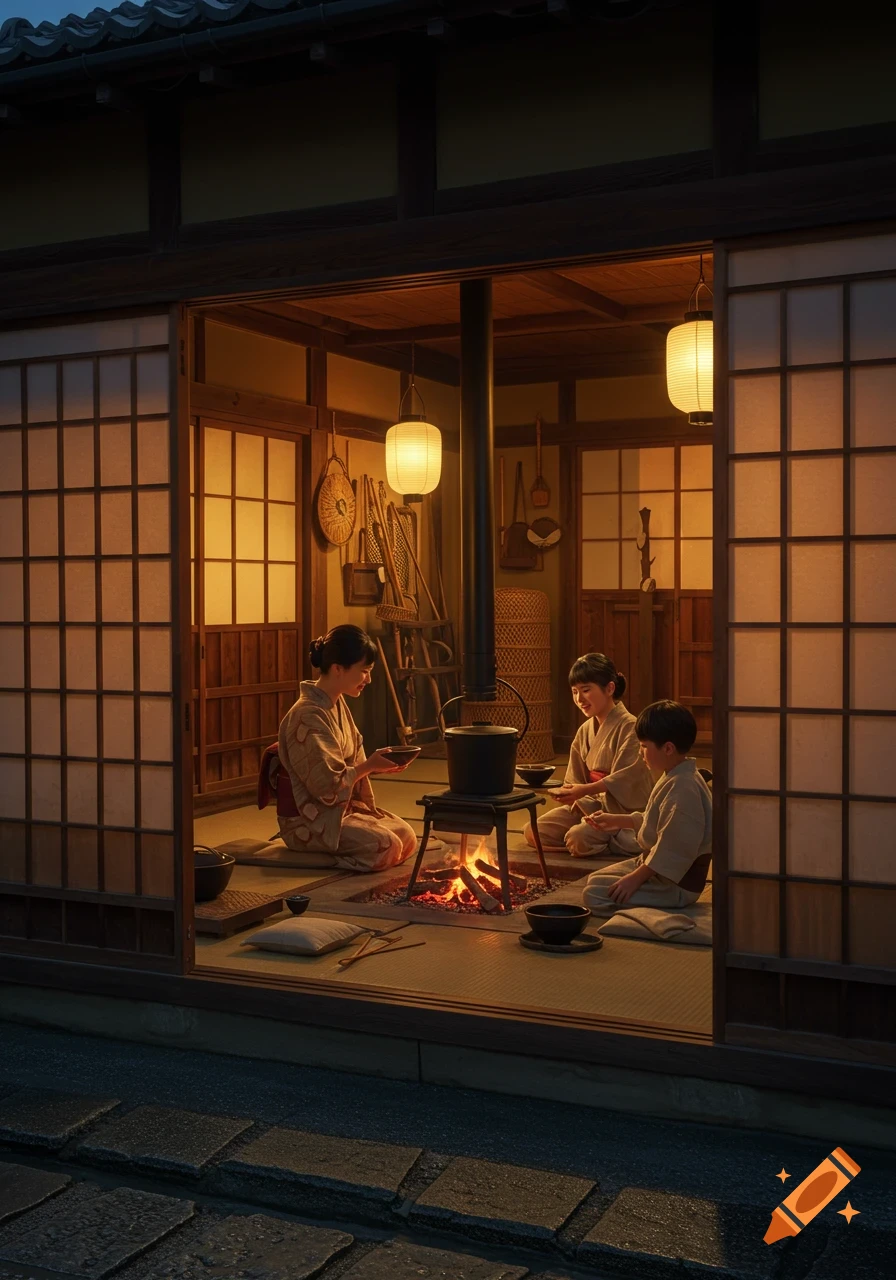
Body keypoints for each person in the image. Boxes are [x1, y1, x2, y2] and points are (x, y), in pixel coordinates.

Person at [274, 625, 418, 872]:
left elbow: (354, 765)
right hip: (309, 820)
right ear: (338, 669)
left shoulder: (336, 703)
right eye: (364, 671)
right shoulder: (307, 714)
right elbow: (326, 785)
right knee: (387, 846)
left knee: (406, 836)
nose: (368, 679)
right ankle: (320, 860)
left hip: (341, 810)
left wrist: (378, 767)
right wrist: (369, 765)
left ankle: (346, 849)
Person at [581, 699, 712, 916]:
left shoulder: (684, 788)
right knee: (595, 881)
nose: (641, 753)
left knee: (594, 894)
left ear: (668, 748)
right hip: (656, 869)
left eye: (643, 746)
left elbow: (672, 849)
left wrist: (634, 879)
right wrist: (616, 820)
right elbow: (657, 821)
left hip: (675, 884)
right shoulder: (675, 775)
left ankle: (656, 914)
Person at [525, 653, 653, 858]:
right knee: (533, 831)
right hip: (588, 805)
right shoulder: (585, 729)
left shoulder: (630, 726)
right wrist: (569, 793)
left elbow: (626, 779)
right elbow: (574, 778)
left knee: (578, 838)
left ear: (610, 688)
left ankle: (613, 839)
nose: (579, 699)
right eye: (575, 692)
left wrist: (584, 790)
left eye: (586, 690)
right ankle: (596, 841)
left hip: (620, 811)